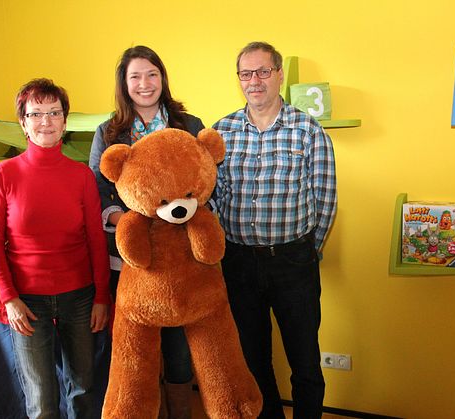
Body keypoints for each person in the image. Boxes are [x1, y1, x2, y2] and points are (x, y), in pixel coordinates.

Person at [212, 41, 337, 419]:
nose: (255, 81)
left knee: (304, 360)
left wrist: (306, 251)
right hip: (239, 262)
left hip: (292, 261)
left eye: (263, 71)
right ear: (239, 80)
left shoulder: (307, 130)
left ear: (279, 74)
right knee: (252, 359)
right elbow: (213, 197)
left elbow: (325, 199)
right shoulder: (222, 131)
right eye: (246, 74)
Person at [0, 78, 110, 418]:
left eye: (54, 112)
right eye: (36, 113)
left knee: (83, 387)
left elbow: (96, 239)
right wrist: (9, 298)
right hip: (27, 300)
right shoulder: (4, 175)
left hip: (80, 297)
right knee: (41, 397)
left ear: (65, 121)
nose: (46, 121)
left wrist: (101, 297)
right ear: (23, 122)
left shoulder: (81, 175)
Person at [88, 45, 203, 419]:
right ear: (124, 83)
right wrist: (123, 221)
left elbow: (205, 183)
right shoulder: (108, 132)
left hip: (180, 259)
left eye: (152, 74)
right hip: (129, 262)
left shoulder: (189, 125)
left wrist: (185, 218)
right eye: (135, 76)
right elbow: (97, 189)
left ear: (163, 77)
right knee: (136, 352)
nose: (144, 83)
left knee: (179, 349)